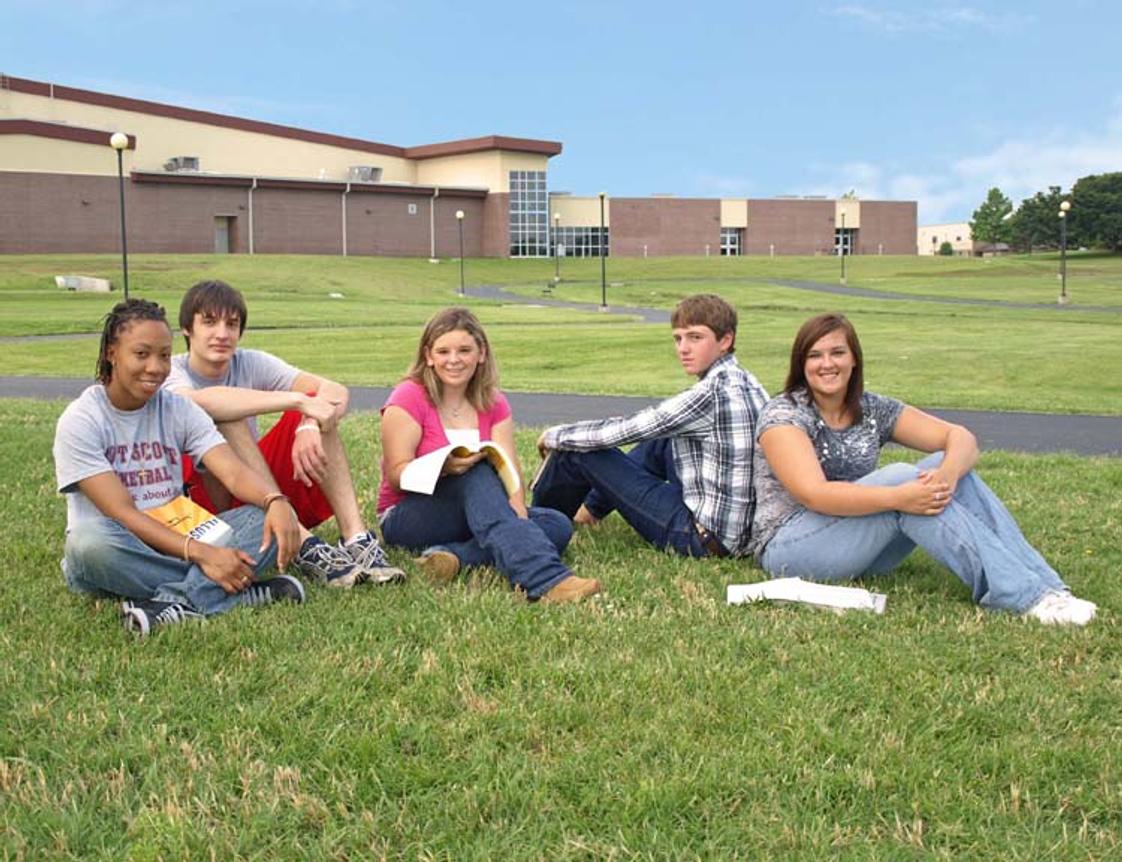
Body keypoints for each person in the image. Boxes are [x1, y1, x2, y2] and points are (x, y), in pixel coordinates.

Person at [750, 312, 1097, 625]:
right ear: (802, 364)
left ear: (854, 359)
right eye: (815, 355)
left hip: (858, 546)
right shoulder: (784, 414)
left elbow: (960, 438)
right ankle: (1022, 597)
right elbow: (814, 494)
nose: (827, 364)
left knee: (939, 468)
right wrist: (899, 497)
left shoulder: (872, 408)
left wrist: (946, 476)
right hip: (791, 549)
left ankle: (1049, 589)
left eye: (837, 352)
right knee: (906, 479)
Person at [53, 298, 306, 636]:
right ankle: (236, 590)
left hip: (180, 532)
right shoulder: (82, 419)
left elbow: (231, 472)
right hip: (121, 546)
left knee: (263, 520)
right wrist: (203, 554)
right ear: (112, 353)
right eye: (141, 354)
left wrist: (276, 501)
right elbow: (123, 513)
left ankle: (174, 603)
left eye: (164, 355)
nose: (155, 367)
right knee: (87, 544)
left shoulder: (177, 408)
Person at [164, 279, 403, 588]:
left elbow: (335, 391)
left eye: (232, 324)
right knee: (228, 416)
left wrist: (307, 421)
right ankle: (305, 545)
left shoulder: (250, 361)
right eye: (209, 322)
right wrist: (298, 400)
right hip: (201, 500)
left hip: (254, 486)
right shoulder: (171, 370)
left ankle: (356, 538)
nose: (222, 334)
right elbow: (199, 402)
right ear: (187, 328)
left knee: (321, 411)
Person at [378, 307, 599, 604]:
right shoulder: (408, 396)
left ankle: (453, 557)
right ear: (428, 356)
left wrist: (518, 511)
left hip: (481, 509)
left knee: (556, 524)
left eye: (464, 350)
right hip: (409, 514)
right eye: (443, 351)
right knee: (476, 471)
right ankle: (545, 579)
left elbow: (508, 466)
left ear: (481, 353)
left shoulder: (493, 402)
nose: (453, 360)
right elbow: (396, 475)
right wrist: (444, 467)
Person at [532, 293, 769, 559]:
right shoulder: (746, 380)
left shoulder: (712, 393)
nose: (683, 348)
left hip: (701, 538)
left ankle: (540, 524)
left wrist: (555, 435)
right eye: (678, 338)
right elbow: (658, 427)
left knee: (577, 449)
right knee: (662, 439)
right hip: (736, 532)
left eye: (695, 337)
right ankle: (589, 512)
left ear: (726, 340)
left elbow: (625, 430)